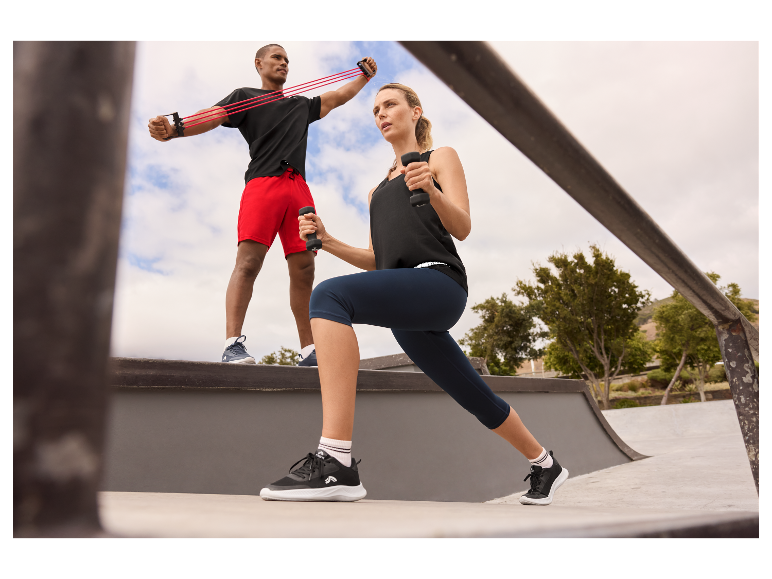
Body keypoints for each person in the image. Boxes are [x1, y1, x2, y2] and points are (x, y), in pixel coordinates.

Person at [259, 83, 568, 505]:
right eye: (375, 111)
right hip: (405, 311)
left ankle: (337, 461)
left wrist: (433, 191)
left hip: (439, 285)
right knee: (472, 394)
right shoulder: (375, 192)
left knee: (328, 297)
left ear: (415, 111)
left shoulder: (438, 158)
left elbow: (462, 226)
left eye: (390, 105)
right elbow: (377, 260)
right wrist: (327, 241)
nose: (381, 114)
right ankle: (545, 463)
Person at [148, 45, 377, 366]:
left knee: (305, 268)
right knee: (248, 262)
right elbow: (212, 116)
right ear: (259, 63)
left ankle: (309, 351)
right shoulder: (245, 96)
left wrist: (364, 76)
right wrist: (175, 128)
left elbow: (338, 96)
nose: (284, 63)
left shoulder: (301, 105)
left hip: (299, 189)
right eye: (277, 58)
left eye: (287, 60)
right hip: (263, 185)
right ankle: (232, 346)